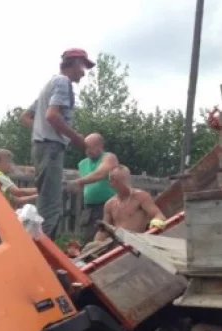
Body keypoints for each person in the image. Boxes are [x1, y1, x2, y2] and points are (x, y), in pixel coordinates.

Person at [20, 48, 94, 238]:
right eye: (83, 67)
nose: (83, 73)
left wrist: (42, 129)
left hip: (41, 147)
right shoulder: (63, 82)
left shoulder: (49, 84)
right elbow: (52, 116)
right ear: (75, 63)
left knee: (44, 201)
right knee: (51, 208)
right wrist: (76, 139)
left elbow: (26, 117)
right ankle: (42, 251)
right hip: (51, 148)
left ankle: (36, 246)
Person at [93, 165, 166, 242]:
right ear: (110, 182)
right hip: (117, 244)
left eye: (122, 180)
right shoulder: (109, 204)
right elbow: (104, 230)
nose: (121, 183)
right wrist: (96, 243)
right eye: (114, 180)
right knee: (91, 246)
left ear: (127, 179)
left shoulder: (141, 197)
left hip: (137, 243)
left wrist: (156, 223)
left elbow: (159, 215)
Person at [68, 134, 119, 243]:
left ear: (100, 146)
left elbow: (100, 173)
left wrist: (79, 181)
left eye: (90, 147)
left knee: (108, 239)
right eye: (86, 148)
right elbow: (80, 187)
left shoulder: (109, 157)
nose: (87, 151)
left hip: (108, 205)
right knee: (90, 240)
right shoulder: (82, 164)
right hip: (90, 208)